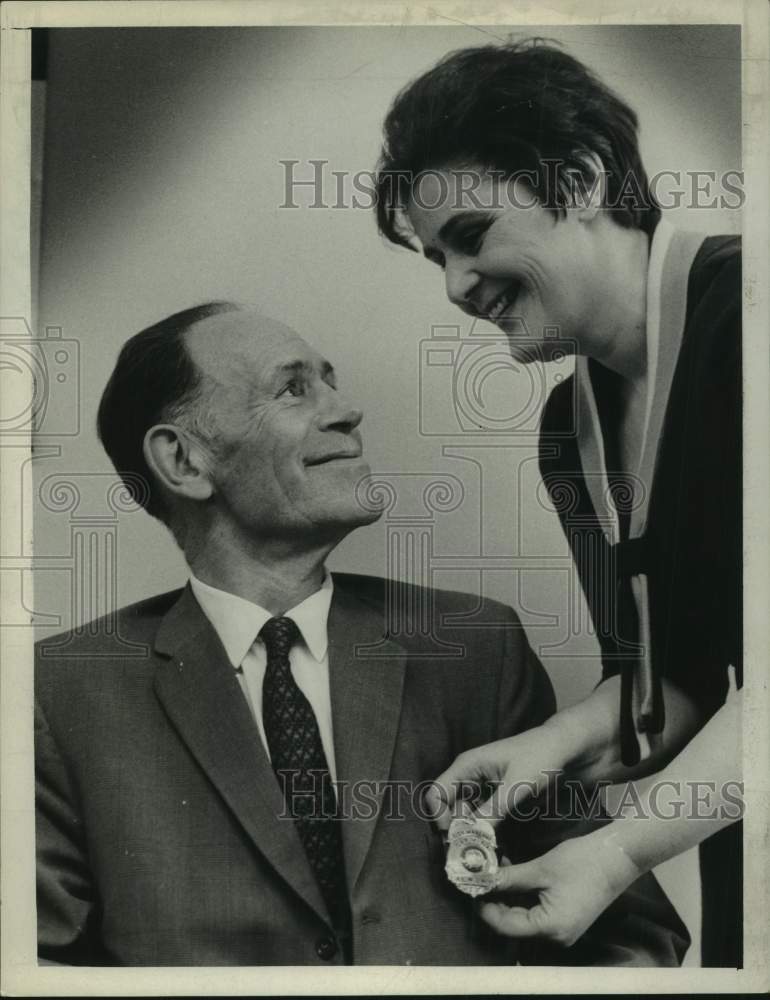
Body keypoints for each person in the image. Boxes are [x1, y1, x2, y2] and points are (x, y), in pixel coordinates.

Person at [35, 302, 688, 967]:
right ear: (183, 461)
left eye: (330, 380)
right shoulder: (60, 693)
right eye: (294, 387)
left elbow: (631, 938)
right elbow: (34, 972)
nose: (347, 411)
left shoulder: (474, 648)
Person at [373, 39, 741, 966]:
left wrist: (619, 851)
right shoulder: (566, 436)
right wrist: (554, 744)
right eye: (436, 259)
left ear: (578, 182)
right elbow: (679, 683)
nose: (457, 286)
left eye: (472, 236)